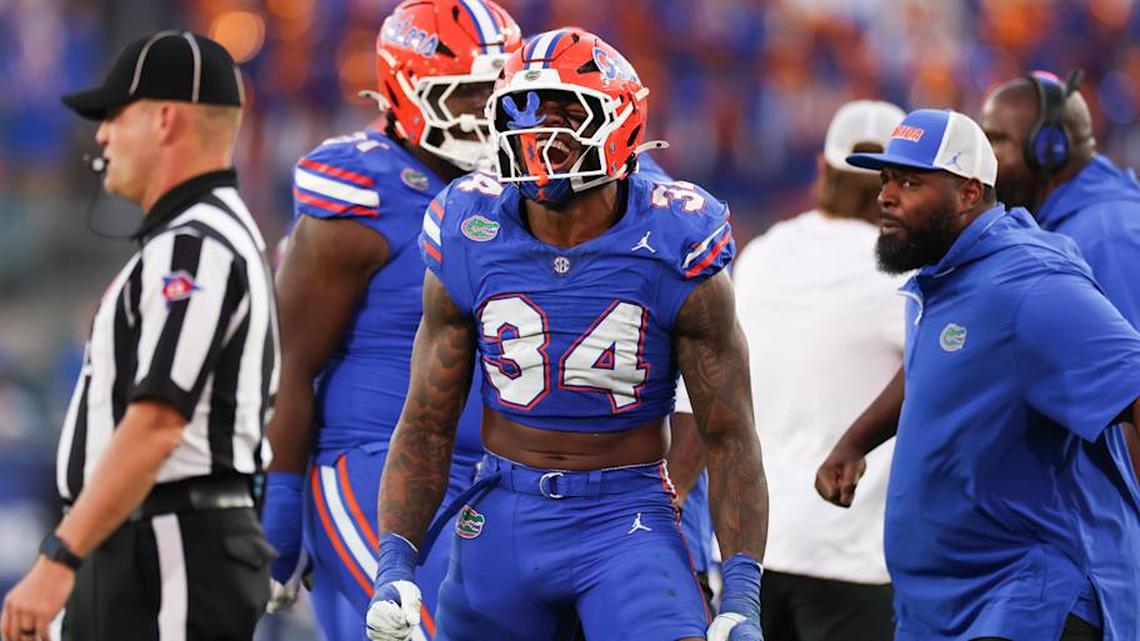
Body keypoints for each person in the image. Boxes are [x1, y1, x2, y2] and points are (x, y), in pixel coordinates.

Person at [364, 28, 769, 641]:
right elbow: (425, 419)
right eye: (523, 116)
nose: (540, 138)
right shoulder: (467, 227)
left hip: (625, 516)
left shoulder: (676, 235)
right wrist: (395, 562)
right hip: (502, 512)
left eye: (564, 115)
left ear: (621, 123)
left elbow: (728, 432)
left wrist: (741, 594)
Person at [1, 31, 279, 641]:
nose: (100, 135)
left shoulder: (195, 245)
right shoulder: (195, 236)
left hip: (173, 543)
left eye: (112, 116)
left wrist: (59, 558)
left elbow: (157, 420)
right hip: (149, 541)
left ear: (164, 119)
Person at [260, 2, 522, 640]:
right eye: (464, 95)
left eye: (499, 95)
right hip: (373, 465)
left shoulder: (528, 186)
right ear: (406, 90)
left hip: (498, 479)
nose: (484, 114)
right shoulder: (363, 189)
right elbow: (289, 364)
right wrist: (280, 513)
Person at [827, 108, 1140, 641]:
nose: (886, 195)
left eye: (910, 181)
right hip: (942, 602)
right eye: (884, 179)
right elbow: (934, 366)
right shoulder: (943, 269)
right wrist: (855, 442)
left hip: (1023, 600)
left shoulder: (1031, 282)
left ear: (970, 193)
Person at [735, 100, 905, 641]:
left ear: (823, 168)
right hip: (851, 553)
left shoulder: (762, 253)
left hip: (753, 547)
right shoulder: (902, 270)